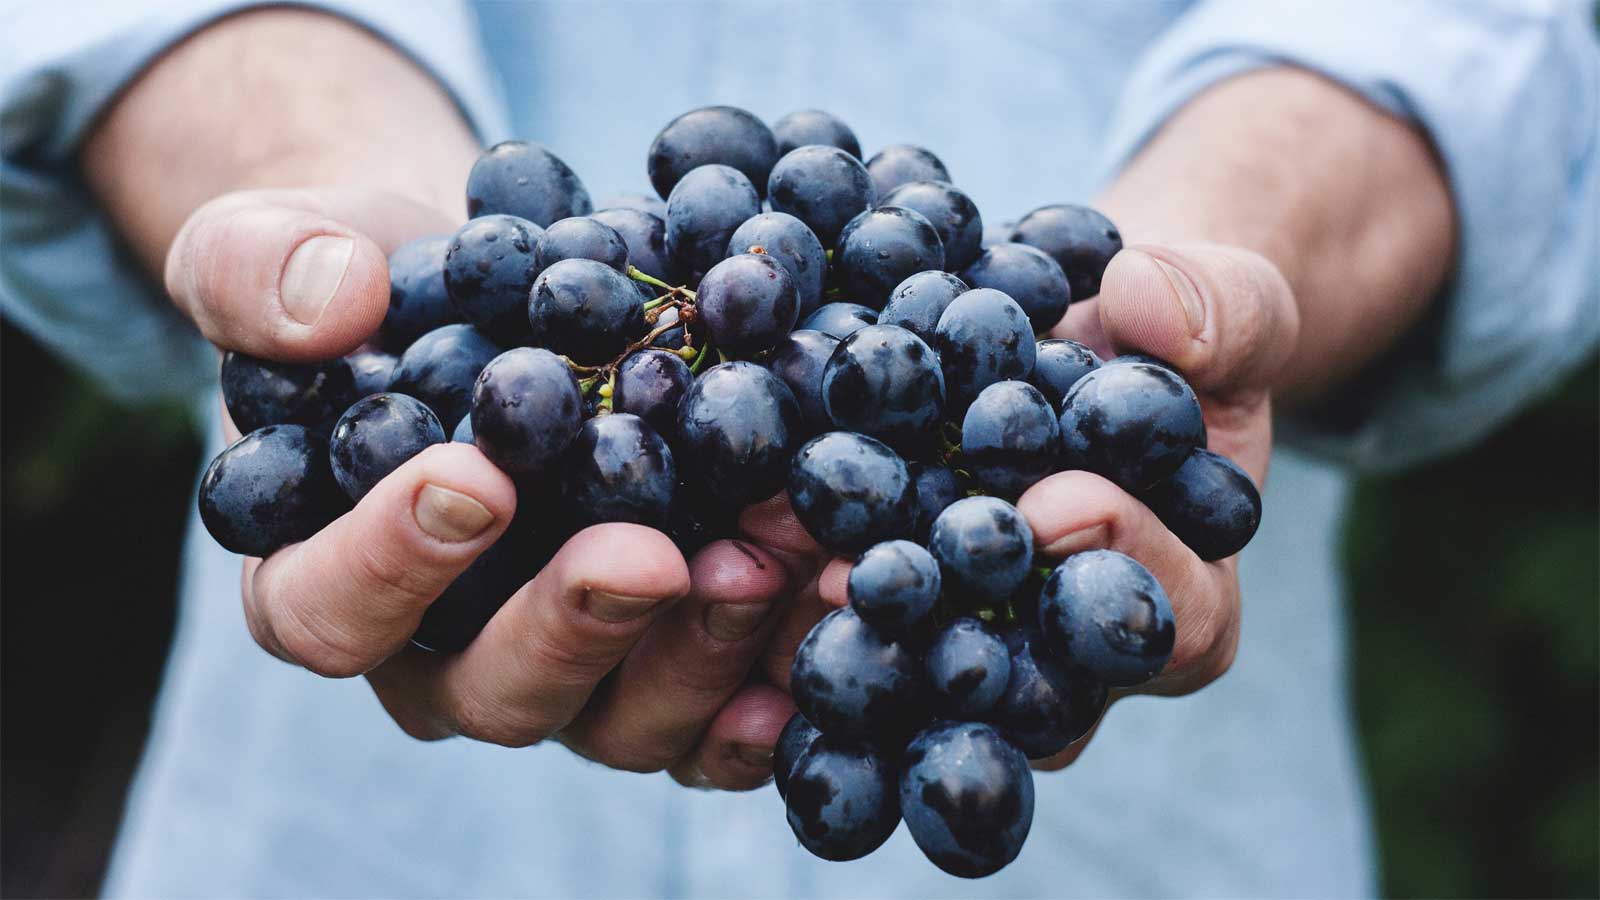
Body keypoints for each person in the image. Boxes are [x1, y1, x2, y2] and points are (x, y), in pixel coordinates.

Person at [3, 1, 1595, 896]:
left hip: (1124, 762)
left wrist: (1224, 254)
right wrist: (310, 177)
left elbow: (1483, 40)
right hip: (354, 832)